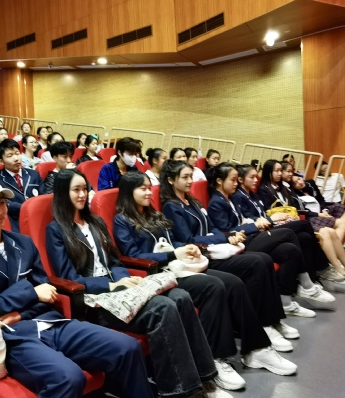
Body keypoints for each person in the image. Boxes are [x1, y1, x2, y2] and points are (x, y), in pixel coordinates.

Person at [0, 177, 153, 398]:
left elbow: (47, 291)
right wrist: (31, 293)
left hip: (51, 321)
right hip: (13, 337)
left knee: (127, 347)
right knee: (69, 377)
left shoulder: (23, 243)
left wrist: (19, 311)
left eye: (2, 203)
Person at [47, 169, 231, 398]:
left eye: (85, 189)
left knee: (181, 297)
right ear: (63, 193)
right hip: (95, 300)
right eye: (76, 190)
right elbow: (68, 276)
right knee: (163, 308)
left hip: (120, 289)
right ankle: (180, 391)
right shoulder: (56, 229)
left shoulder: (95, 222)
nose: (83, 194)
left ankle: (206, 378)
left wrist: (123, 278)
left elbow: (115, 260)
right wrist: (110, 286)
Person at [114, 172, 297, 383]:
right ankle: (216, 358)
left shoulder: (152, 214)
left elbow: (172, 241)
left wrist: (187, 248)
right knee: (214, 286)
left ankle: (256, 349)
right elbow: (133, 255)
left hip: (180, 265)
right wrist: (174, 254)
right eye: (142, 188)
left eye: (149, 188)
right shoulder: (122, 220)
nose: (148, 192)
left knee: (234, 283)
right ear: (129, 192)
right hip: (158, 273)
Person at [160, 160, 299, 352]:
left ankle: (272, 321)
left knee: (264, 259)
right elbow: (188, 239)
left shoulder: (192, 201)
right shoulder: (171, 206)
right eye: (185, 177)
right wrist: (221, 237)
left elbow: (213, 227)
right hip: (203, 255)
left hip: (216, 248)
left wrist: (227, 236)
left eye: (191, 176)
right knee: (256, 263)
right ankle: (264, 325)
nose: (190, 181)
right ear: (170, 180)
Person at [208, 162, 333, 314]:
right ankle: (308, 284)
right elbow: (228, 231)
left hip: (252, 234)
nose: (236, 183)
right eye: (233, 180)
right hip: (242, 242)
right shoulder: (216, 203)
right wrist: (256, 224)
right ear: (219, 181)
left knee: (290, 250)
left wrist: (251, 223)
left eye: (236, 180)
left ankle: (286, 302)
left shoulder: (231, 197)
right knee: (289, 233)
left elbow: (241, 220)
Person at [258, 159, 345, 292]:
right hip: (279, 224)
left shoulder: (283, 188)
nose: (280, 173)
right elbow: (269, 210)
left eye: (281, 170)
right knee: (312, 229)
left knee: (310, 236)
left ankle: (320, 274)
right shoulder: (263, 190)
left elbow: (296, 207)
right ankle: (325, 268)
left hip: (293, 220)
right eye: (277, 171)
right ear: (268, 172)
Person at [0, 139, 43, 233]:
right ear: (1, 161)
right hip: (14, 221)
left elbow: (44, 196)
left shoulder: (34, 174)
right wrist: (27, 208)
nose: (16, 158)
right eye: (10, 156)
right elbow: (2, 203)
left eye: (17, 153)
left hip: (38, 218)